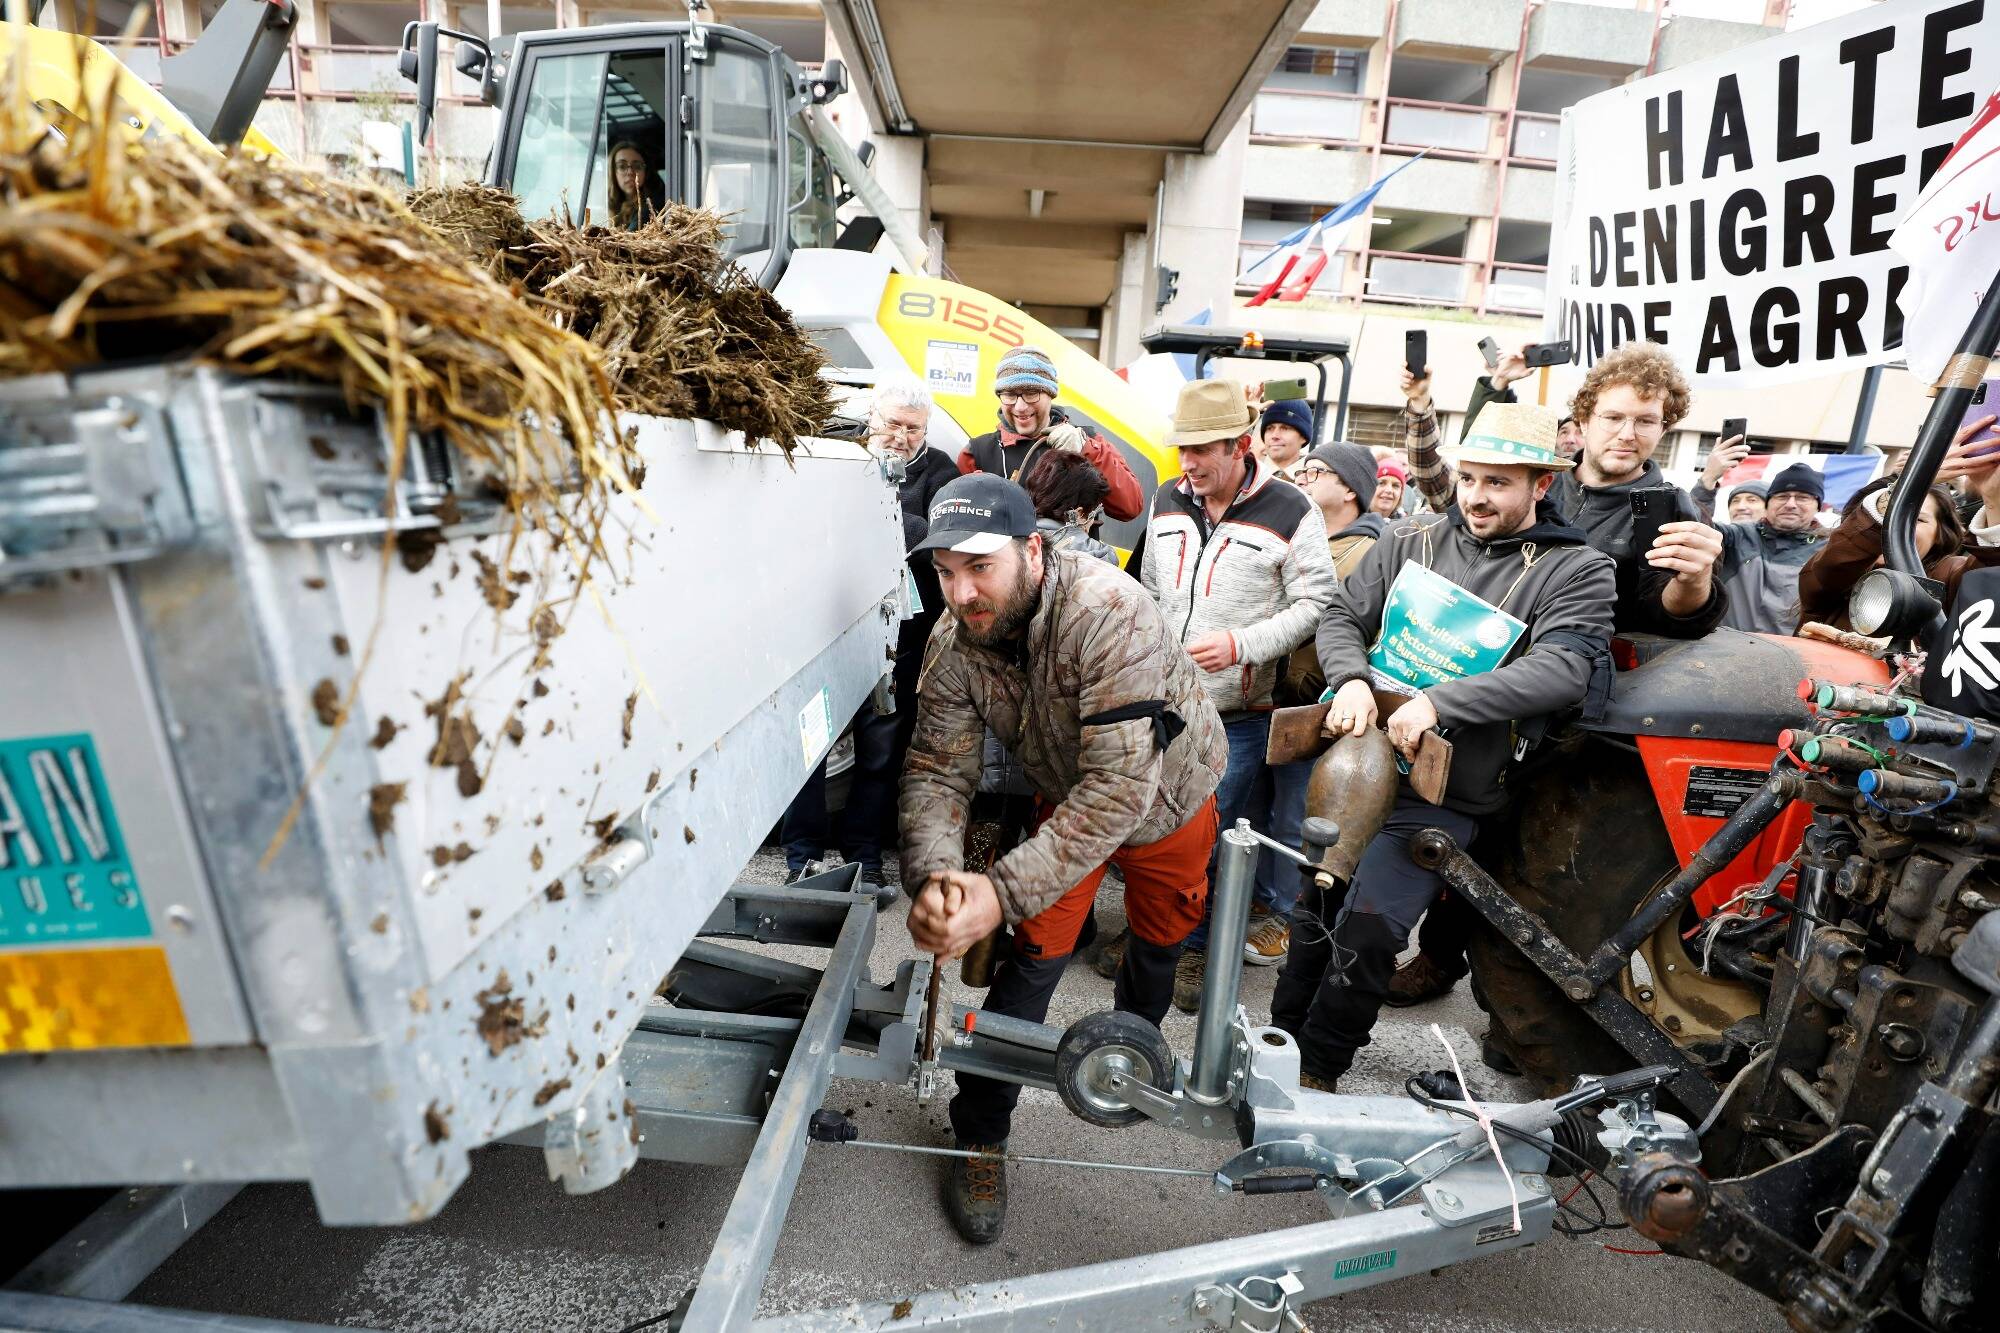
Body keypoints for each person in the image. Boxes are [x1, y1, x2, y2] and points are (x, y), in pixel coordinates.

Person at [898, 474, 1227, 1245]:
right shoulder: (955, 643)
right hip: (1068, 795)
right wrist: (942, 879)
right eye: (945, 570)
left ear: (1032, 549)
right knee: (1030, 960)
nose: (962, 590)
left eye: (980, 566)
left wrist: (999, 889)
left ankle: (1130, 1057)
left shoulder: (1109, 612)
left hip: (1166, 800)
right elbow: (935, 770)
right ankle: (980, 1133)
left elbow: (1119, 790)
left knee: (1159, 936)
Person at [1274, 402, 1615, 1090]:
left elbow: (1565, 667)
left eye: (1500, 482)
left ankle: (1318, 1069)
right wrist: (1350, 680)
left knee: (1370, 932)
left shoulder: (1578, 567)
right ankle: (1279, 1044)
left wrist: (1440, 701)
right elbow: (1342, 614)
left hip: (1444, 789)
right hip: (1355, 764)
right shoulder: (1412, 537)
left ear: (1539, 485)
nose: (1478, 496)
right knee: (1313, 910)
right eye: (1471, 478)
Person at [1386, 340, 1727, 1009]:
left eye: (1648, 420)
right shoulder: (1545, 478)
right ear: (1586, 417)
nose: (1629, 433)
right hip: (1476, 684)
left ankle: (1497, 1003)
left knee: (1525, 863)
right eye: (1615, 416)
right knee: (1449, 831)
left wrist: (1697, 578)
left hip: (1581, 717)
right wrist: (1434, 403)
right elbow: (1448, 493)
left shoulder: (1670, 506)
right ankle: (1435, 954)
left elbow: (1678, 616)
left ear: (1666, 426)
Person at [1127, 379, 1336, 1004]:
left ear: (1241, 445)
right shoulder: (1167, 498)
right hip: (1164, 702)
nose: (1187, 465)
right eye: (1181, 451)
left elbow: (1318, 602)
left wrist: (1243, 645)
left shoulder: (1293, 509)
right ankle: (1156, 934)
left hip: (1238, 713)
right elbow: (1149, 589)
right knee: (1156, 824)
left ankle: (1191, 951)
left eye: (1201, 452)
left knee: (1208, 833)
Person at [959, 346, 1144, 522]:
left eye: (1031, 393)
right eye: (1009, 394)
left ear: (1051, 394)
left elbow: (1130, 507)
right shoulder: (978, 453)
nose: (1020, 407)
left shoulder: (1088, 441)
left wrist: (1086, 450)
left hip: (1071, 555)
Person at [1275, 443, 1387, 709]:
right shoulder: (1289, 536)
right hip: (1263, 694)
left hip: (1314, 705)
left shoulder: (1373, 554)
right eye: (1301, 471)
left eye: (1314, 471)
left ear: (1350, 489)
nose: (1301, 478)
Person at [1797, 478, 1989, 631]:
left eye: (1917, 519)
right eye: (1883, 517)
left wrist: (1993, 498)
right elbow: (1834, 566)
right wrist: (1911, 478)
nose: (1892, 529)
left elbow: (1989, 576)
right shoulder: (1826, 579)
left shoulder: (1952, 576)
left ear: (1940, 533)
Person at [1711, 462, 1825, 634]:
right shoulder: (1739, 536)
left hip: (1794, 658)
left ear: (1818, 505)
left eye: (1802, 497)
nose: (1791, 504)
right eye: (1782, 496)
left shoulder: (1830, 551)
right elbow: (1696, 525)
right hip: (1724, 653)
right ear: (1768, 503)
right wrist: (1707, 481)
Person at [868, 378, 957, 521]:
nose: (901, 439)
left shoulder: (941, 472)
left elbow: (942, 536)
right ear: (871, 414)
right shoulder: (834, 450)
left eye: (913, 429)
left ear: (925, 429)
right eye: (892, 424)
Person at [1023, 451, 1118, 564]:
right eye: (1093, 513)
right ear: (1080, 513)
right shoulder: (1101, 555)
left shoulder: (1011, 537)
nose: (1092, 521)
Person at [608, 141, 665, 230]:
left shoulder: (651, 207)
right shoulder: (610, 206)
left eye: (637, 166)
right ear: (613, 172)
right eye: (622, 166)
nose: (630, 172)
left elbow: (627, 242)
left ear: (646, 172)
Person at [1259, 398, 1315, 483]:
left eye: (1285, 428)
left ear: (1303, 436)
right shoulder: (1249, 473)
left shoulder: (1315, 479)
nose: (1275, 435)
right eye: (1269, 428)